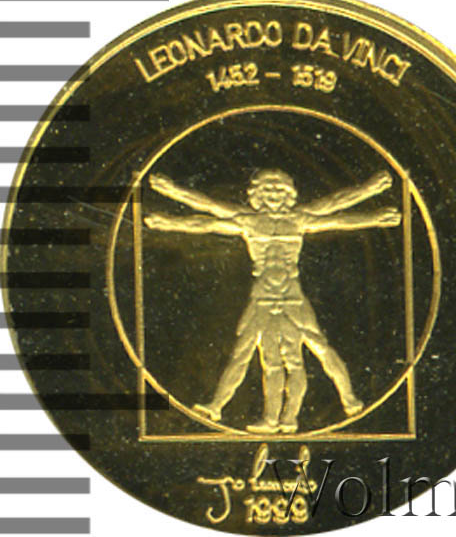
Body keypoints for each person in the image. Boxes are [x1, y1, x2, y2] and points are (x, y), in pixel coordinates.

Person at [144, 168, 401, 433]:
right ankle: (219, 407)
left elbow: (337, 211)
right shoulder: (248, 221)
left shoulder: (299, 219)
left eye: (280, 190)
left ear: (290, 195)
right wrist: (169, 210)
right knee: (248, 354)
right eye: (267, 189)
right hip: (262, 297)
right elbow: (207, 215)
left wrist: (373, 200)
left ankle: (348, 399)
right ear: (255, 195)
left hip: (292, 295)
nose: (274, 195)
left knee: (318, 349)